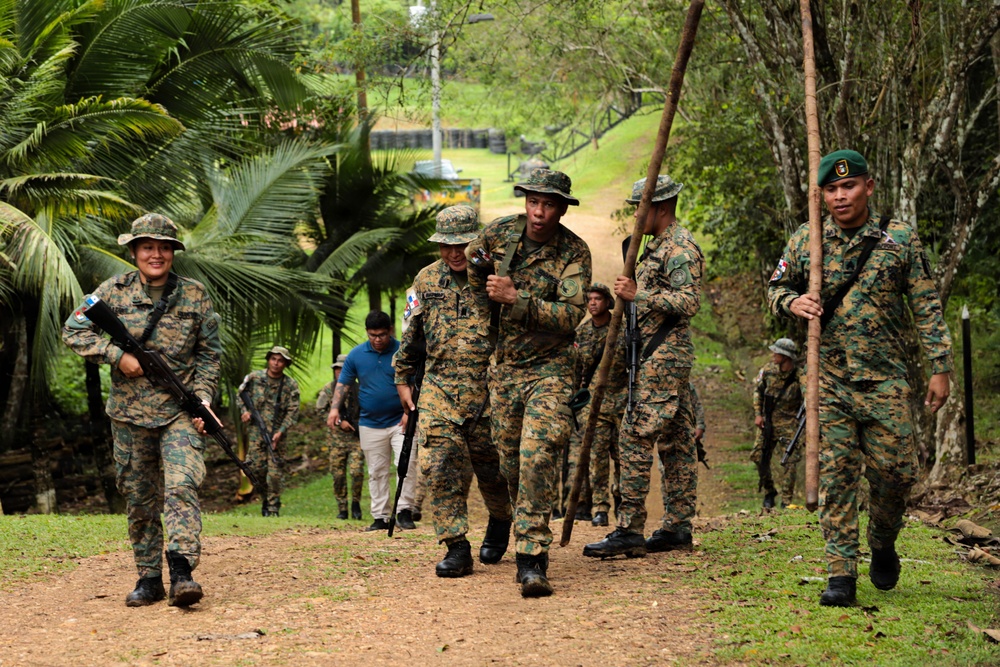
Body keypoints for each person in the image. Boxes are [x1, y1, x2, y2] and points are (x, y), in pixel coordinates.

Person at [768, 149, 952, 607]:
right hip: (828, 381)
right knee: (837, 476)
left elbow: (927, 306)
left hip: (887, 381)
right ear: (821, 195)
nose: (840, 196)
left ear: (868, 186)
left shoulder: (899, 239)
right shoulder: (806, 240)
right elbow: (775, 288)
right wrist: (791, 303)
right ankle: (840, 572)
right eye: (831, 189)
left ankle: (883, 540)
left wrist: (941, 366)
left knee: (896, 476)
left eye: (848, 186)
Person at [63, 213, 221, 608]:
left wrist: (202, 397)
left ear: (173, 253)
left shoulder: (195, 295)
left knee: (182, 485)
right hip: (129, 415)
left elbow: (209, 355)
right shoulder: (111, 292)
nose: (156, 254)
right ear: (134, 251)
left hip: (178, 413)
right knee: (139, 498)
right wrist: (117, 356)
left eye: (164, 247)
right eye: (148, 247)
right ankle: (149, 578)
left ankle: (182, 572)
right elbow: (73, 329)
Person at [467, 168, 592, 596]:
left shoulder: (574, 251)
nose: (539, 213)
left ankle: (532, 559)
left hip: (552, 369)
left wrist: (516, 300)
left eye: (549, 205)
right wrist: (482, 275)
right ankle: (517, 522)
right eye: (534, 202)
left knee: (539, 454)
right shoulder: (499, 233)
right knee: (511, 463)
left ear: (561, 208)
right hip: (505, 370)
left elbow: (573, 316)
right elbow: (473, 269)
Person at [584, 174, 703, 559]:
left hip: (663, 356)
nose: (635, 215)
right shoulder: (653, 248)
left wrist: (640, 293)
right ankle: (677, 525)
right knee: (678, 439)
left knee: (634, 435)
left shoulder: (679, 248)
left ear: (661, 208)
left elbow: (688, 302)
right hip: (659, 354)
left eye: (640, 207)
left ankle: (630, 528)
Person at [394, 205, 513, 578]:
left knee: (494, 472)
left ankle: (500, 519)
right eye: (445, 245)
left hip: (491, 392)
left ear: (475, 241)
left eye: (461, 244)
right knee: (438, 464)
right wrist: (402, 375)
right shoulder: (425, 281)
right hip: (439, 389)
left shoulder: (495, 279)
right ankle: (457, 546)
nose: (454, 253)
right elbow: (411, 334)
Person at [326, 311, 418, 532]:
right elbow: (344, 384)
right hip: (370, 422)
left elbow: (415, 382)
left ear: (390, 332)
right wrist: (334, 409)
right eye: (373, 335)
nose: (378, 339)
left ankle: (404, 511)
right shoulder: (356, 355)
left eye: (382, 335)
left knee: (407, 464)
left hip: (401, 420)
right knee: (376, 470)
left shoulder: (402, 351)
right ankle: (380, 516)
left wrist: (409, 411)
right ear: (367, 333)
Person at [567, 283, 624, 527]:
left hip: (622, 401)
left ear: (607, 302)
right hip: (595, 406)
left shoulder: (621, 328)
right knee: (597, 457)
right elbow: (577, 370)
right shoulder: (582, 334)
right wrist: (573, 403)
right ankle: (600, 507)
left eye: (598, 299)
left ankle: (624, 501)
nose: (593, 303)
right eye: (589, 299)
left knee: (624, 457)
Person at [239, 346, 300, 517]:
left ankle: (273, 508)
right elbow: (241, 395)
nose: (276, 363)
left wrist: (280, 431)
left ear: (285, 364)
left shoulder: (289, 385)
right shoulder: (254, 378)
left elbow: (293, 411)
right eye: (273, 359)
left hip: (276, 435)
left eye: (280, 361)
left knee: (274, 474)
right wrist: (245, 411)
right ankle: (265, 497)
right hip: (256, 433)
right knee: (255, 469)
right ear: (268, 359)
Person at [650, 380, 705, 551]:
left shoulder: (687, 386)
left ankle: (677, 516)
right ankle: (669, 510)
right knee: (664, 471)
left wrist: (700, 426)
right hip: (665, 433)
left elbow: (696, 406)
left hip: (681, 434)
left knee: (680, 471)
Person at [750, 338, 802, 509]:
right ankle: (769, 491)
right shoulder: (768, 370)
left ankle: (786, 501)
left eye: (777, 353)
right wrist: (758, 414)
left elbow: (809, 399)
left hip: (789, 424)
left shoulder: (799, 376)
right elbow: (757, 391)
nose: (773, 355)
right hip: (768, 421)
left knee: (790, 462)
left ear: (786, 357)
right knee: (758, 456)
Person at [317, 354, 365, 520]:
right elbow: (320, 410)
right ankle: (342, 508)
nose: (339, 372)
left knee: (356, 471)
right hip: (336, 440)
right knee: (338, 475)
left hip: (356, 438)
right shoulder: (328, 389)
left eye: (343, 369)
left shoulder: (360, 389)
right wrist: (338, 422)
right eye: (337, 369)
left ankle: (356, 503)